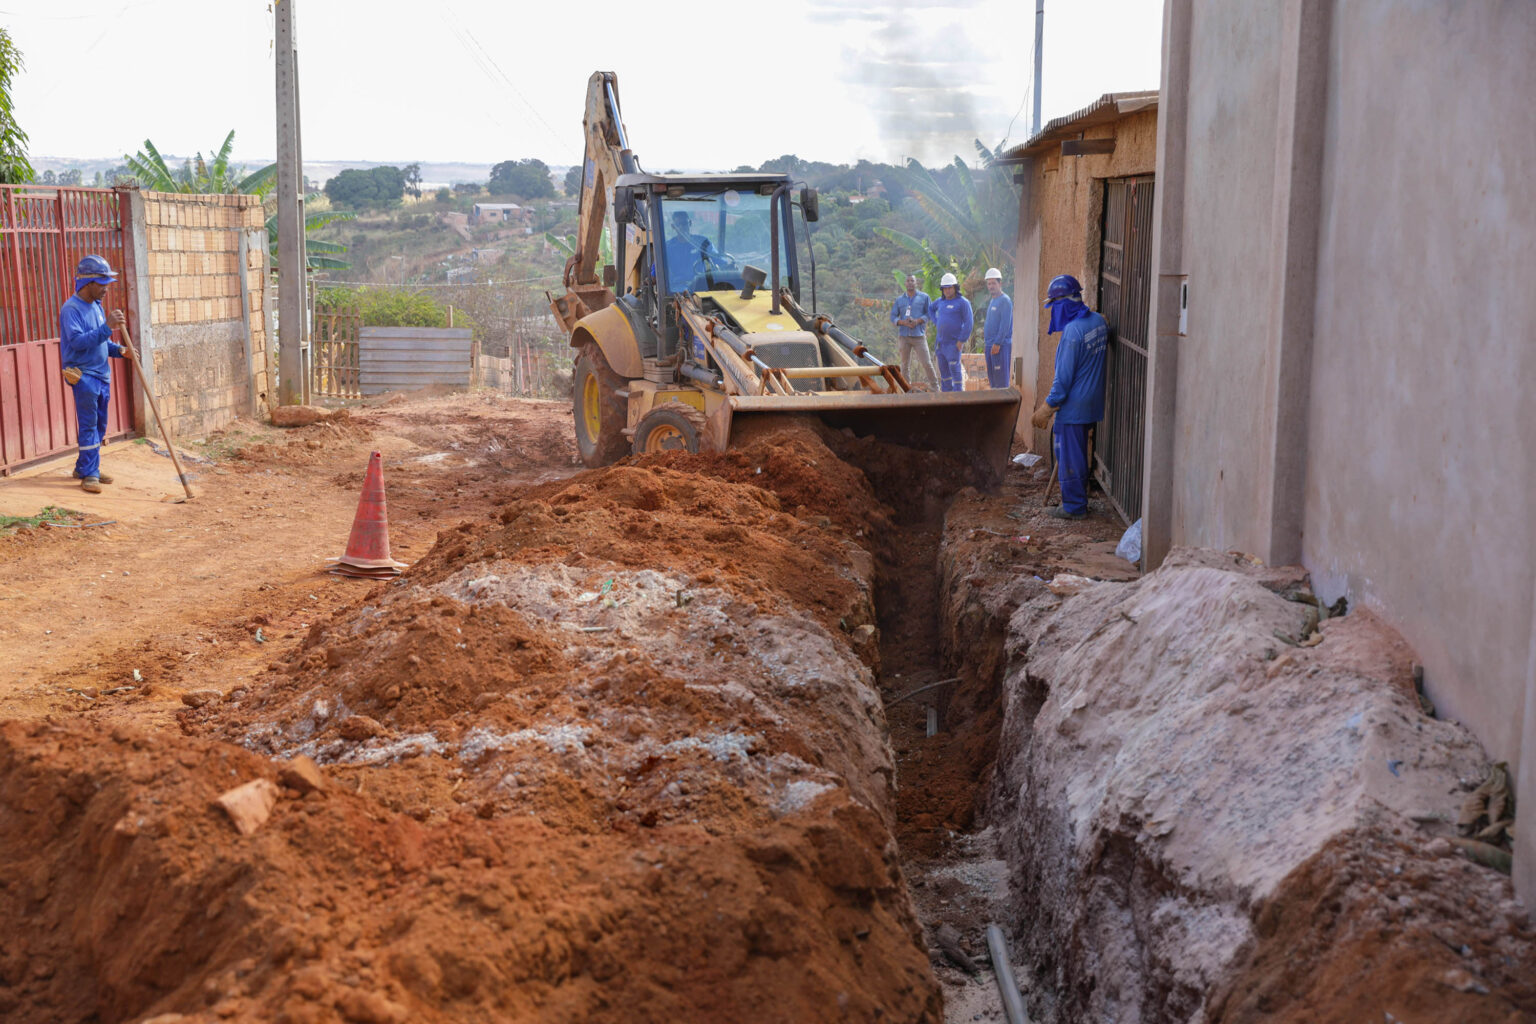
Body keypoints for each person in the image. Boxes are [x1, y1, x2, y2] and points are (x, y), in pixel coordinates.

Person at [1032, 274, 1108, 520]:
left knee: (1068, 453)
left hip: (1073, 406)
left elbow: (1062, 381)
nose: (1053, 312)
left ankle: (1074, 506)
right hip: (1092, 401)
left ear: (1063, 304)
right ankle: (1078, 496)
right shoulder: (1098, 321)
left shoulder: (1072, 333)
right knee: (1075, 451)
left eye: (1054, 306)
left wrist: (1047, 406)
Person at [60, 255, 132, 494]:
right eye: (102, 284)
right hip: (82, 374)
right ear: (88, 283)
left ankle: (86, 467)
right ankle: (90, 474)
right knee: (89, 424)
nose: (105, 289)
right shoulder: (71, 309)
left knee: (100, 425)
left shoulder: (97, 307)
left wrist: (121, 350)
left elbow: (102, 343)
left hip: (101, 374)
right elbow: (79, 342)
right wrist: (107, 327)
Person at [890, 273, 938, 388]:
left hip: (919, 336)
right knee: (905, 365)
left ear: (916, 283)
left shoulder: (924, 297)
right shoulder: (899, 300)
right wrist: (902, 322)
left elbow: (930, 313)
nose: (910, 283)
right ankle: (906, 389)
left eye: (912, 281)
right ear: (905, 283)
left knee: (927, 363)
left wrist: (917, 321)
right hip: (904, 336)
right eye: (908, 281)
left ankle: (936, 387)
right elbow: (893, 316)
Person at [929, 272, 973, 392]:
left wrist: (961, 340)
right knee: (944, 375)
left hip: (954, 344)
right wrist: (936, 321)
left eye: (950, 288)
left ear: (955, 288)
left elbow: (969, 323)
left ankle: (958, 399)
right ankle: (946, 398)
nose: (947, 291)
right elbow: (930, 309)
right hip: (940, 344)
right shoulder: (940, 302)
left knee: (955, 371)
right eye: (945, 288)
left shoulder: (963, 302)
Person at [981, 267, 1013, 388]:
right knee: (993, 381)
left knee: (1001, 382)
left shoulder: (1005, 300)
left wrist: (997, 343)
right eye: (989, 283)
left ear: (1000, 283)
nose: (991, 286)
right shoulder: (993, 300)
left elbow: (1005, 325)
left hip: (1000, 346)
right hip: (990, 345)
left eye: (994, 283)